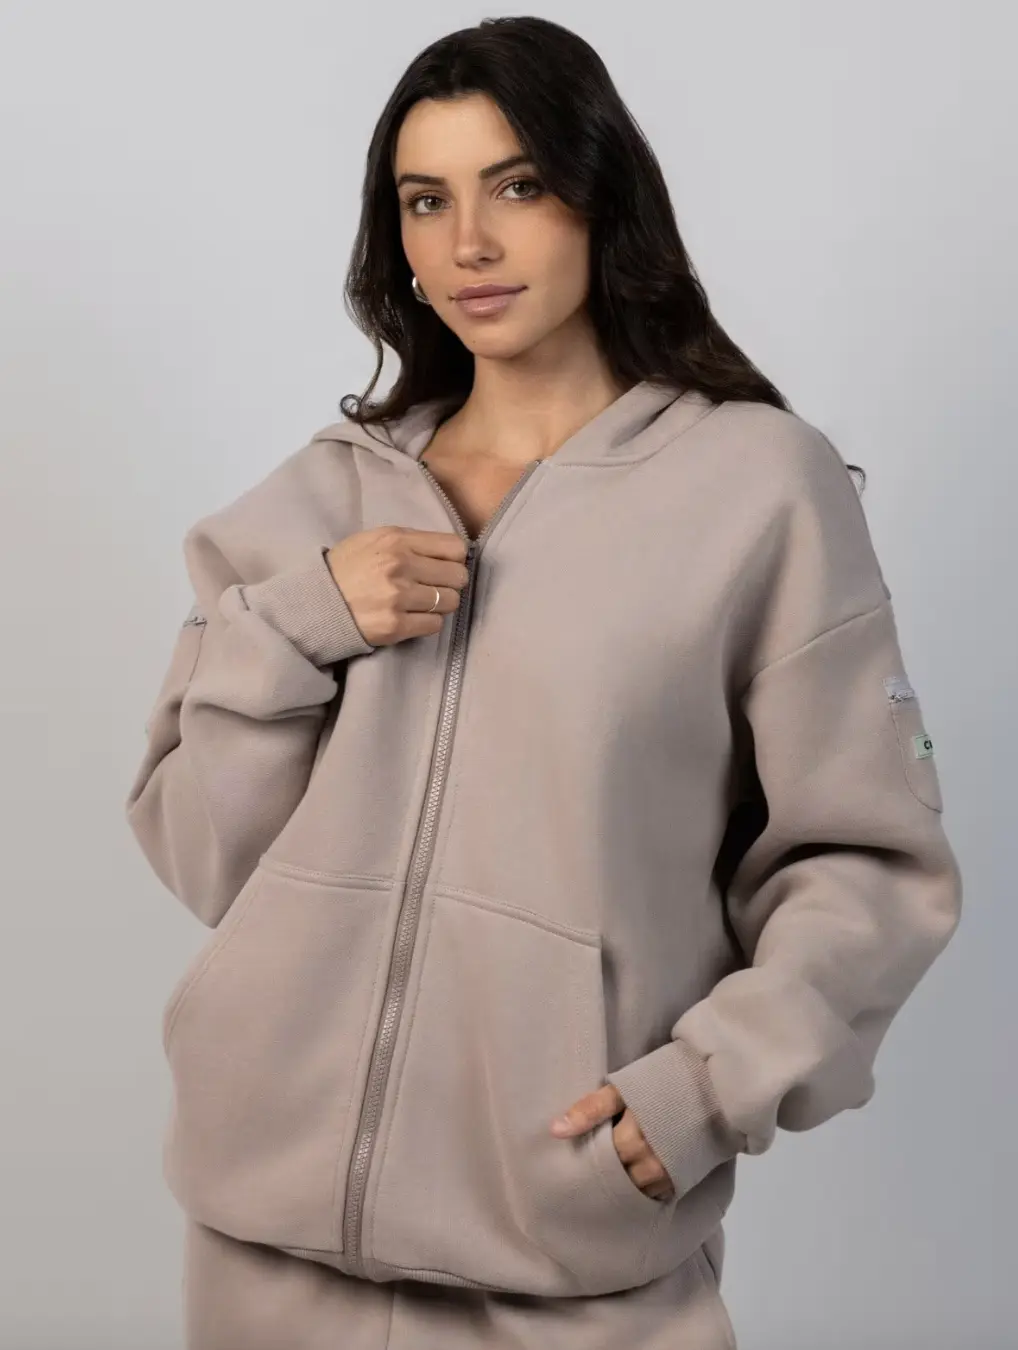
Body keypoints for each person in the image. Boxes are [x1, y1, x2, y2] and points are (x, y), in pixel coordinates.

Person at [123, 15, 963, 1350]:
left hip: (570, 1247)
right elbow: (206, 853)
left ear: (599, 195)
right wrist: (297, 622)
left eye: (515, 186)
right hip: (262, 1248)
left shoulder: (753, 487)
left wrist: (705, 1089)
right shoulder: (318, 502)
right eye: (426, 200)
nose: (469, 242)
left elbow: (866, 860)